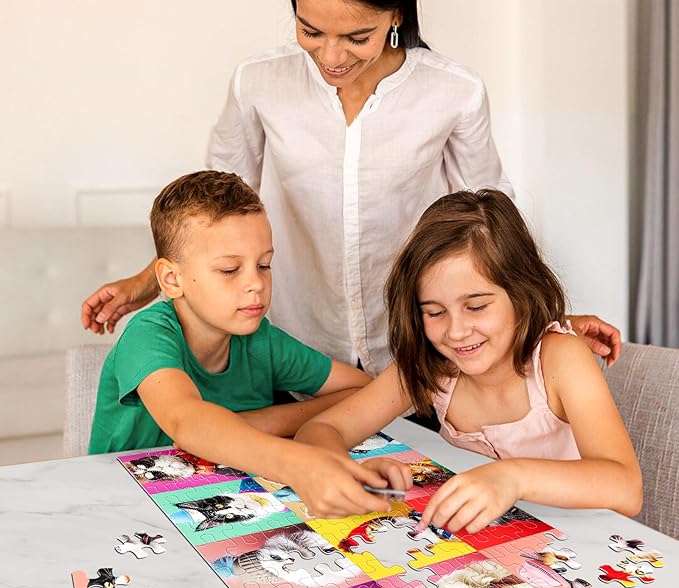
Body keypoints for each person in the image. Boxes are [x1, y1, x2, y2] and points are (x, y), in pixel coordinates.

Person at [81, 0, 621, 375]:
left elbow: (491, 222)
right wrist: (149, 280)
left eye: (356, 37)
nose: (332, 57)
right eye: (310, 31)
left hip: (416, 344)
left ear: (396, 15)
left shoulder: (452, 91)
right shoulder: (259, 82)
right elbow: (213, 212)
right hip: (294, 342)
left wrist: (550, 319)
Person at [295, 189, 643, 533]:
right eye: (435, 312)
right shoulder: (431, 366)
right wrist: (351, 473)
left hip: (582, 543)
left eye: (476, 307)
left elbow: (627, 488)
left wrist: (512, 477)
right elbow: (320, 430)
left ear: (521, 294)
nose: (456, 331)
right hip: (489, 545)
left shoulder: (560, 359)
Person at [88, 170, 412, 517]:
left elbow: (362, 392)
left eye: (264, 264)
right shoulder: (147, 335)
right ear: (172, 279)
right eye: (230, 270)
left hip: (226, 504)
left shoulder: (261, 340)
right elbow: (187, 422)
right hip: (123, 509)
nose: (256, 283)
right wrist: (299, 463)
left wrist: (264, 422)